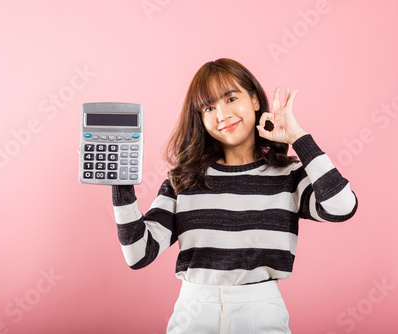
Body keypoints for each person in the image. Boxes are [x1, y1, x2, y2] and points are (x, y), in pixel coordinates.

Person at [111, 58, 358, 333]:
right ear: (201, 119)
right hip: (193, 312)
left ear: (254, 100)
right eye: (209, 107)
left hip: (260, 313)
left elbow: (341, 207)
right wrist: (121, 182)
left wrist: (298, 137)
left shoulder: (289, 175)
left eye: (231, 98)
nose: (222, 114)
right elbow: (138, 254)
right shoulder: (184, 180)